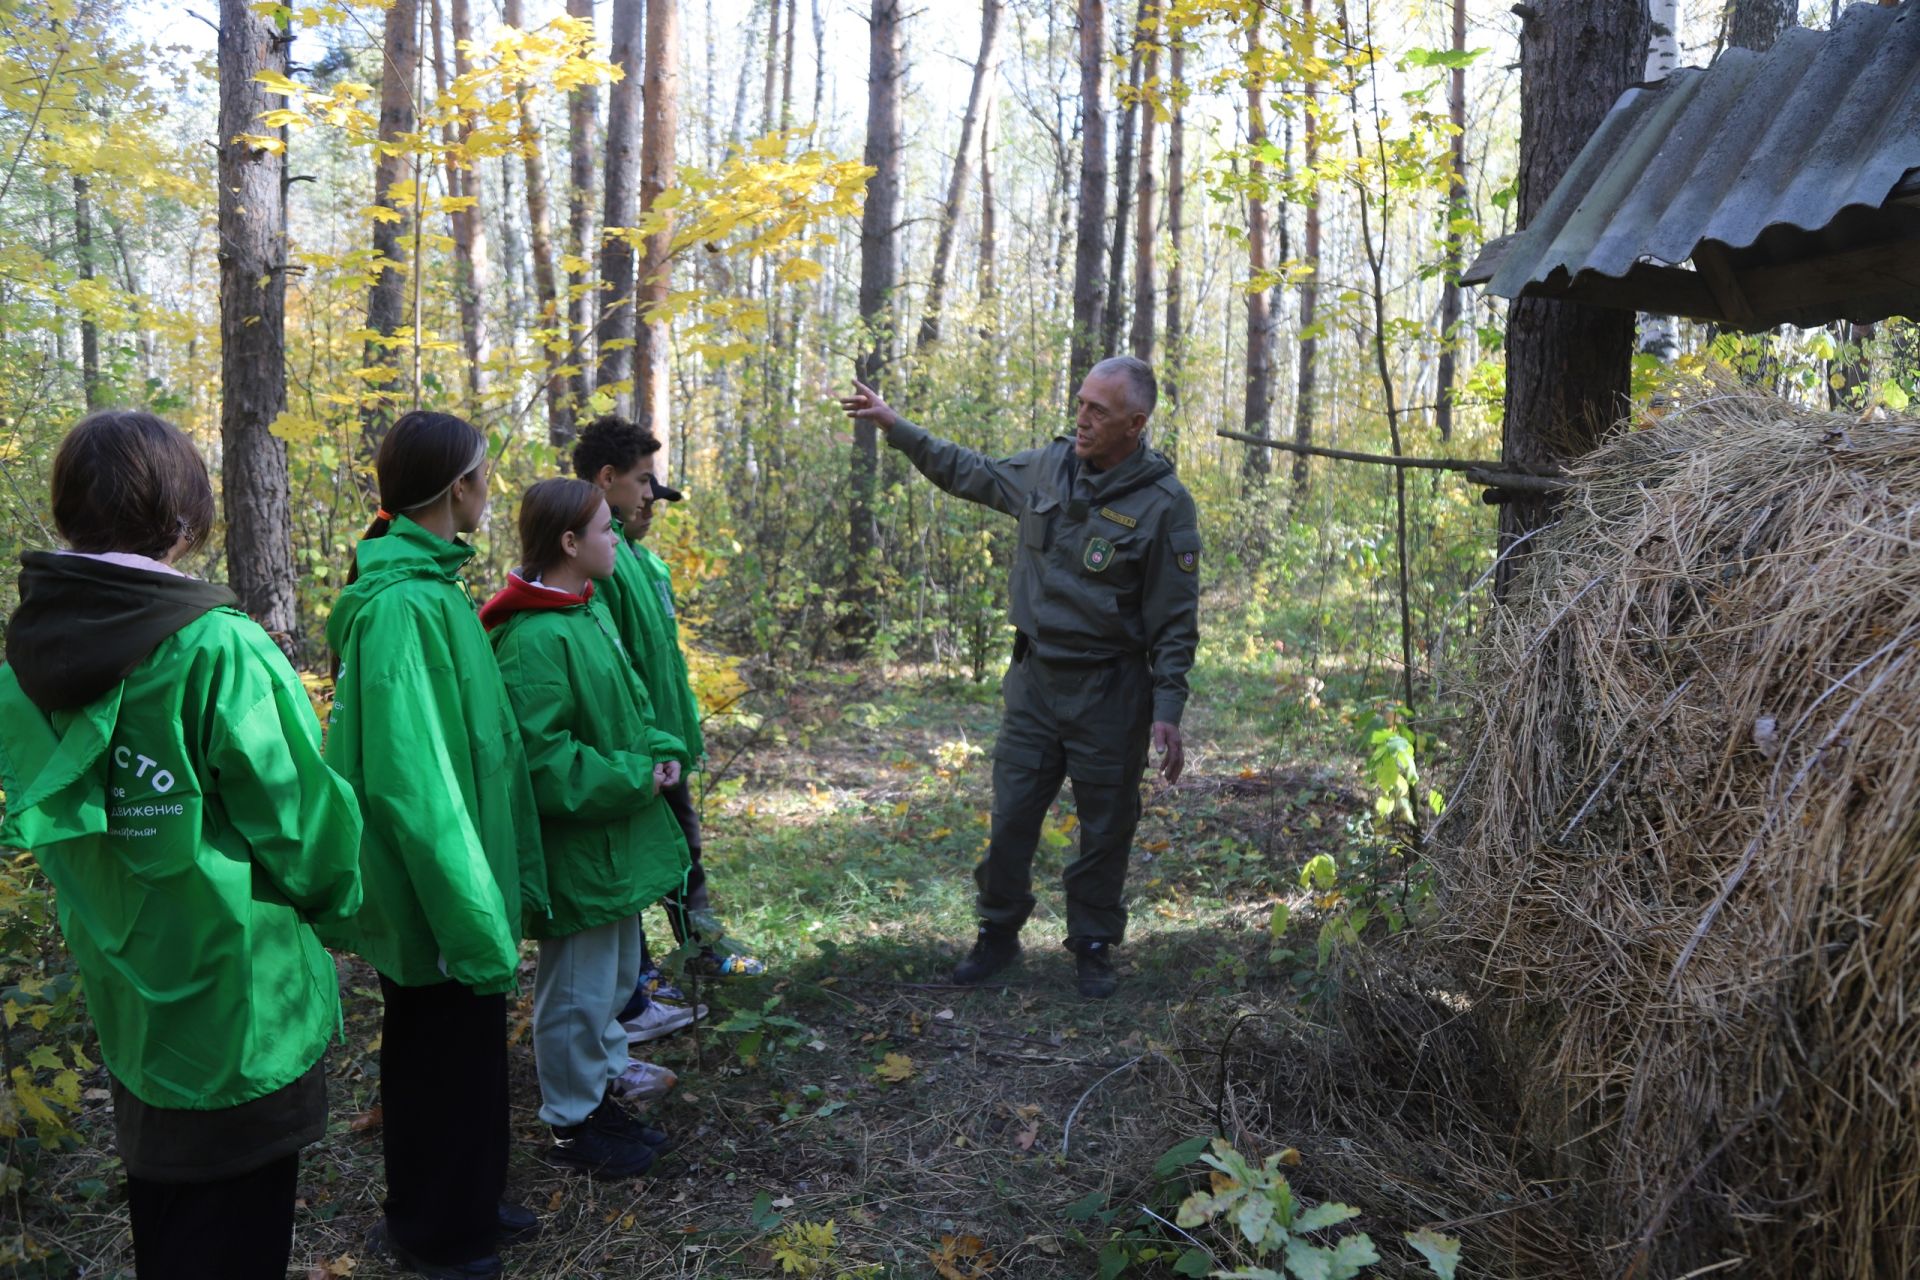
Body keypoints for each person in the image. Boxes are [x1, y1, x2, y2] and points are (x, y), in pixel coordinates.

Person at [0, 410, 364, 1277]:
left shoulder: (23, 664)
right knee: (238, 1226)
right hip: (242, 1003)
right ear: (180, 520)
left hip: (128, 991)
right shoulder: (216, 647)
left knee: (167, 1211)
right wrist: (342, 908)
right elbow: (304, 822)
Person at [838, 356, 1201, 999]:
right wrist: (896, 425)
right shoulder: (1047, 467)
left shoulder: (1164, 505)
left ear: (1136, 424)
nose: (1082, 418)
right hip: (1036, 681)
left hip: (1111, 691)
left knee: (1106, 825)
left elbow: (1174, 620)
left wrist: (1167, 709)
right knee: (1011, 818)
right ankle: (997, 934)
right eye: (1081, 402)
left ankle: (1092, 942)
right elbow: (967, 471)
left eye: (1099, 411)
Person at [322, 411, 546, 1280]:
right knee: (436, 1055)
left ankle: (468, 1201)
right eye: (485, 472)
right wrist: (465, 911)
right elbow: (415, 785)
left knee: (465, 1047)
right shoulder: (404, 608)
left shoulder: (435, 591)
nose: (491, 486)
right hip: (437, 888)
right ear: (458, 488)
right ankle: (436, 1233)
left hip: (464, 876)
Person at [479, 478, 694, 1178]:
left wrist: (659, 746)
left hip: (614, 843)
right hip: (580, 853)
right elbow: (544, 764)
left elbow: (626, 712)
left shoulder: (584, 613)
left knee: (609, 982)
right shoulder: (535, 638)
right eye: (605, 529)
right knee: (574, 990)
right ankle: (573, 1123)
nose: (617, 536)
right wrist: (638, 775)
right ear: (569, 544)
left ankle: (599, 1090)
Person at [572, 416, 767, 1017]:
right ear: (607, 481)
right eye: (641, 482)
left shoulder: (639, 560)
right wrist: (641, 744)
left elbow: (657, 660)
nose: (650, 496)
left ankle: (699, 946)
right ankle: (638, 980)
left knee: (683, 849)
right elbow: (609, 667)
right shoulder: (595, 566)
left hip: (665, 739)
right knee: (633, 863)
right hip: (636, 747)